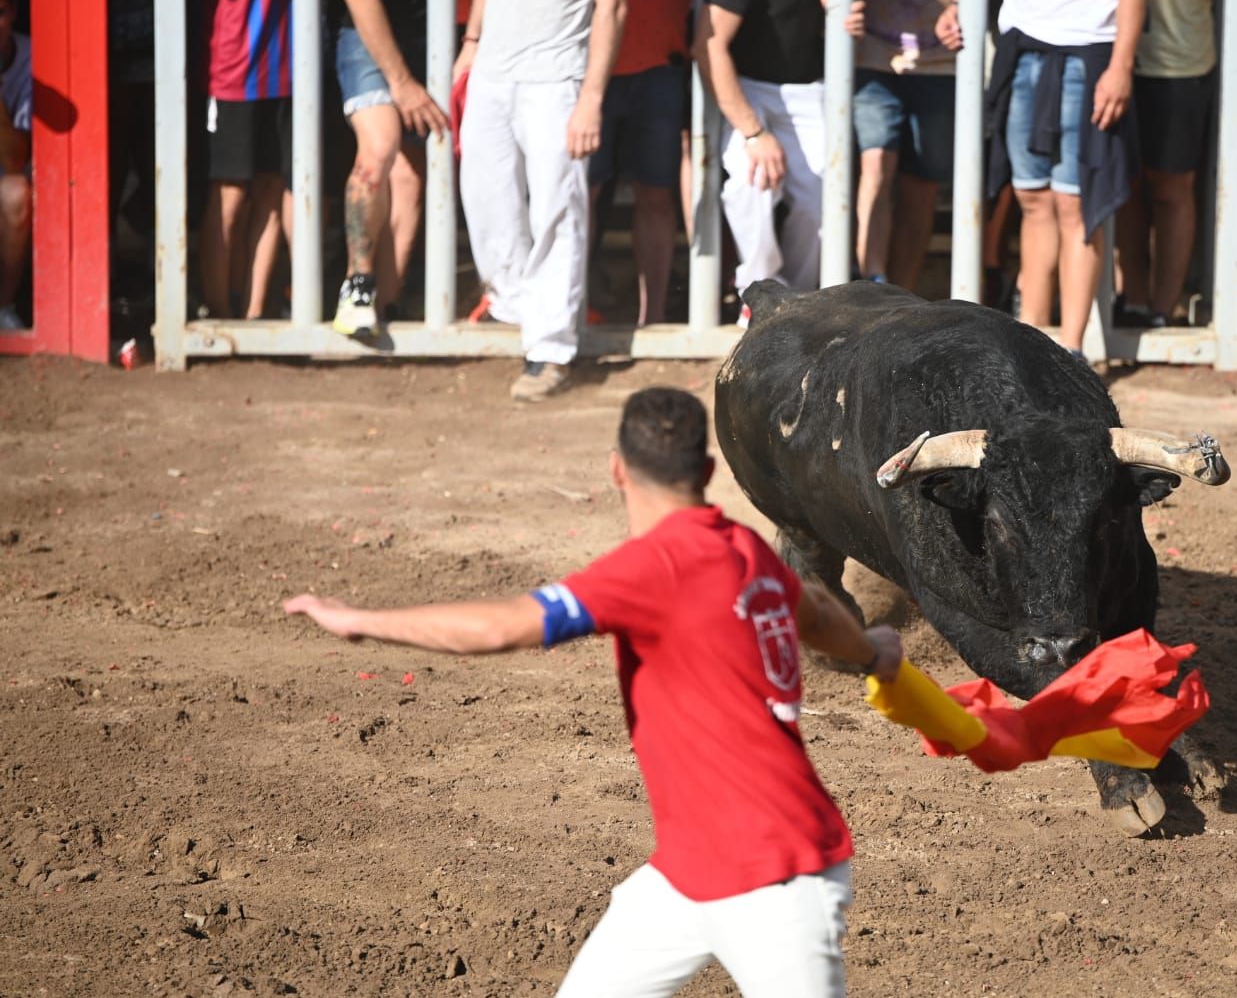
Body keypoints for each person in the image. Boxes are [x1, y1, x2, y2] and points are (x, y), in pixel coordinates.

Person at [284, 387, 903, 998]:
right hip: (687, 875)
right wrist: (873, 652)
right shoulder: (743, 547)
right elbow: (816, 610)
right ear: (708, 471)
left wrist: (361, 620)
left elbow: (500, 629)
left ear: (616, 469)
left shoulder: (649, 568)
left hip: (778, 879)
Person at [454, 0, 626, 402]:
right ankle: (521, 310)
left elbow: (611, 3)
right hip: (492, 73)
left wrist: (590, 98)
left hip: (556, 80)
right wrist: (472, 39)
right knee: (485, 199)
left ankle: (550, 349)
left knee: (557, 213)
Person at [983, 0, 1146, 353]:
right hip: (1022, 48)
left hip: (1087, 50)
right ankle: (1031, 345)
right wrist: (956, 4)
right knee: (1032, 198)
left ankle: (1072, 351)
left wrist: (1121, 66)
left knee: (1077, 205)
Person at [697, 0, 862, 317]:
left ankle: (797, 306)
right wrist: (754, 132)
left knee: (824, 197)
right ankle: (760, 299)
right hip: (749, 87)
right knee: (749, 182)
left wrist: (842, 22)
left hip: (812, 89)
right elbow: (708, 43)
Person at [330, 0, 448, 339]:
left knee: (412, 174)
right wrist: (400, 81)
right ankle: (358, 288)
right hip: (367, 35)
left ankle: (386, 306)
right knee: (379, 147)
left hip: (430, 33)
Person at [197, 0, 313, 322]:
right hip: (235, 72)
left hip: (292, 70)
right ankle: (218, 313)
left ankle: (254, 313)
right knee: (230, 194)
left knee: (272, 188)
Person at [1114, 0, 1224, 330]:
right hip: (1104, 49)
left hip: (1178, 58)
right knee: (1123, 187)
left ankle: (1163, 308)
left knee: (1171, 188)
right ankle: (1135, 300)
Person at [588, 0, 692, 328]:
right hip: (588, 71)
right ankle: (574, 310)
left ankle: (654, 316)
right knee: (581, 195)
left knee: (656, 195)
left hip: (662, 68)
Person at [852, 0, 957, 293]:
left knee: (921, 188)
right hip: (871, 58)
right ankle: (871, 285)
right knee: (875, 164)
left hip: (942, 66)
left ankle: (902, 300)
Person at [0, 0, 30, 333]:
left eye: (0, 12)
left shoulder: (32, 60)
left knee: (15, 196)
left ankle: (3, 307)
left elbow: (14, 159)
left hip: (10, 172)